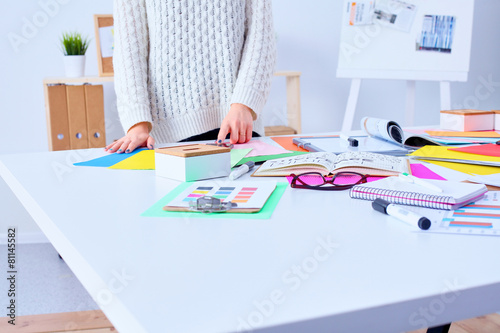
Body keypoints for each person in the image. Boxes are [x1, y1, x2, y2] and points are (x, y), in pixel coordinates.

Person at [106, 0, 276, 154]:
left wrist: (244, 104)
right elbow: (128, 51)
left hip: (238, 127)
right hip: (166, 137)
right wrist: (137, 123)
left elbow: (261, 35)